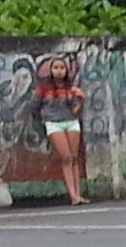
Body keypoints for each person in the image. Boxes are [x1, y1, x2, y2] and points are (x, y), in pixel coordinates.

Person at [32, 52, 90, 205]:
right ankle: (73, 195)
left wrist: (82, 100)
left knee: (74, 157)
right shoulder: (43, 88)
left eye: (62, 68)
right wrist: (45, 119)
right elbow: (33, 106)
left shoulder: (70, 88)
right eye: (56, 67)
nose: (59, 70)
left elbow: (75, 111)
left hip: (71, 121)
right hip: (53, 123)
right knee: (66, 157)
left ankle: (78, 194)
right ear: (51, 70)